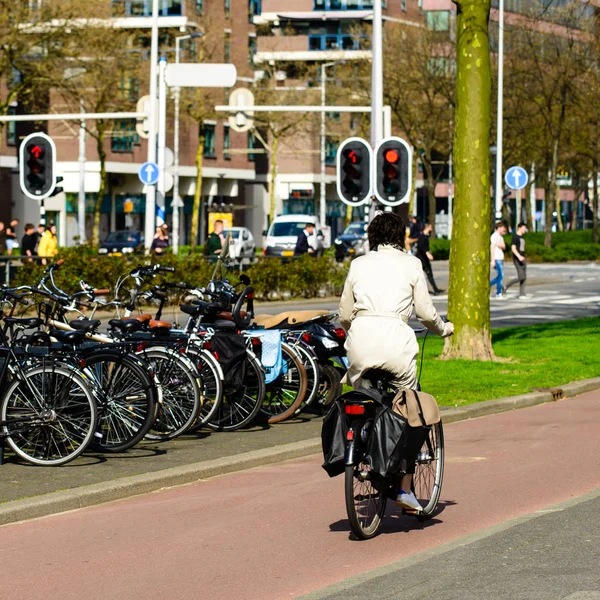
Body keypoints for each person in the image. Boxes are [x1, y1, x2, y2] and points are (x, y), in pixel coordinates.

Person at [339, 212, 454, 512]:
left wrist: (359, 331)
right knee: (410, 408)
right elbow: (426, 314)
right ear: (401, 236)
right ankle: (405, 490)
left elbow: (343, 314)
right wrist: (444, 329)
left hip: (360, 343)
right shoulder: (411, 264)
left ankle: (363, 445)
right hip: (396, 344)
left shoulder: (358, 264)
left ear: (372, 237)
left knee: (362, 395)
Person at [414, 222, 442, 295]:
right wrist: (427, 253)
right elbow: (421, 246)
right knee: (422, 275)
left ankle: (435, 289)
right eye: (430, 226)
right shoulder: (422, 236)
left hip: (424, 260)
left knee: (429, 275)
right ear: (427, 227)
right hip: (421, 260)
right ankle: (434, 290)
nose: (431, 228)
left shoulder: (425, 236)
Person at [505, 222, 530, 299]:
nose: (525, 229)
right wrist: (518, 256)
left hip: (522, 258)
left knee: (524, 277)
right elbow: (513, 248)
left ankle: (522, 294)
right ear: (519, 228)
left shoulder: (522, 237)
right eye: (523, 228)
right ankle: (506, 285)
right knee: (521, 276)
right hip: (517, 259)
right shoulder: (515, 237)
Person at [490, 221, 507, 298]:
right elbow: (492, 247)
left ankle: (488, 286)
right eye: (503, 228)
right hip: (496, 258)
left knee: (500, 276)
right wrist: (492, 260)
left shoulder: (500, 237)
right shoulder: (494, 236)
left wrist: (500, 245)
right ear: (499, 228)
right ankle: (498, 293)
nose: (504, 230)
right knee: (501, 276)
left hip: (500, 258)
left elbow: (504, 246)